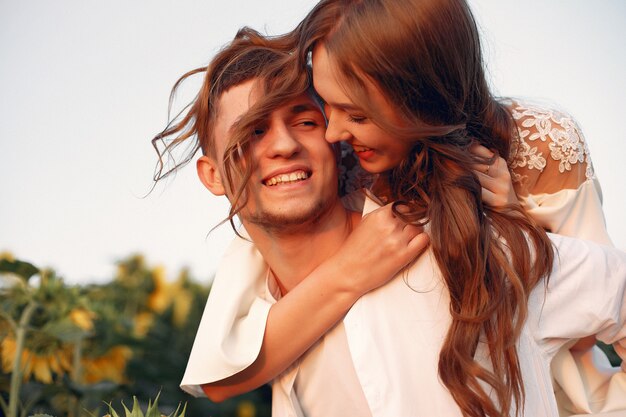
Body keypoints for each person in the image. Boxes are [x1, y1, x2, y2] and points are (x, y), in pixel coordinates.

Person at [152, 2, 626, 417]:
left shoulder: (456, 244)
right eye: (252, 133)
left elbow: (613, 294)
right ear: (212, 176)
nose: (283, 145)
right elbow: (219, 376)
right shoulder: (260, 286)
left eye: (306, 120)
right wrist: (348, 272)